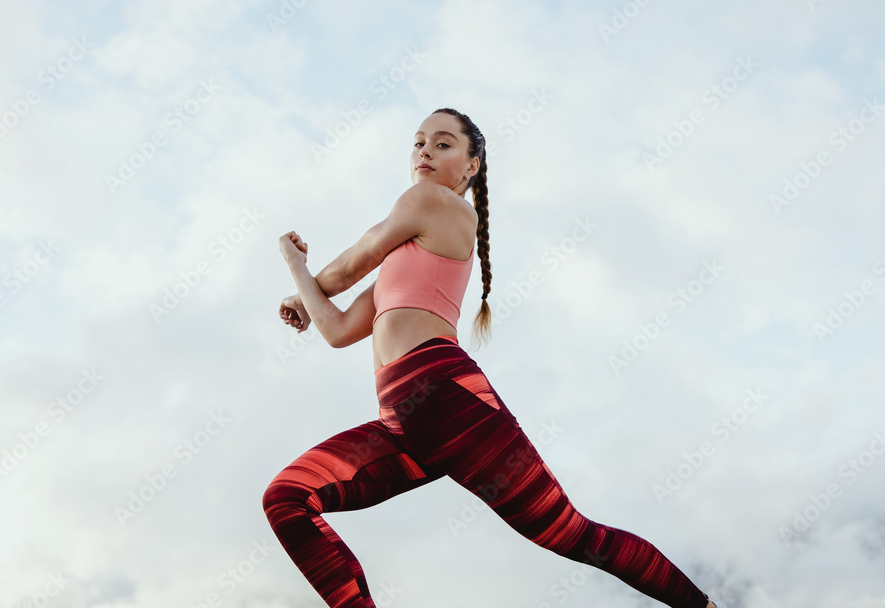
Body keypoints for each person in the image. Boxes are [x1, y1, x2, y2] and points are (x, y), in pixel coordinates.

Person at [264, 108, 726, 608]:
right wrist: (300, 277)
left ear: (471, 165)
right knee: (287, 498)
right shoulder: (402, 260)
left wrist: (299, 272)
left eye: (442, 144)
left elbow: (351, 263)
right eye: (418, 142)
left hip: (449, 400)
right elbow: (335, 330)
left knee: (575, 537)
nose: (424, 151)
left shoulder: (434, 203)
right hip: (401, 423)